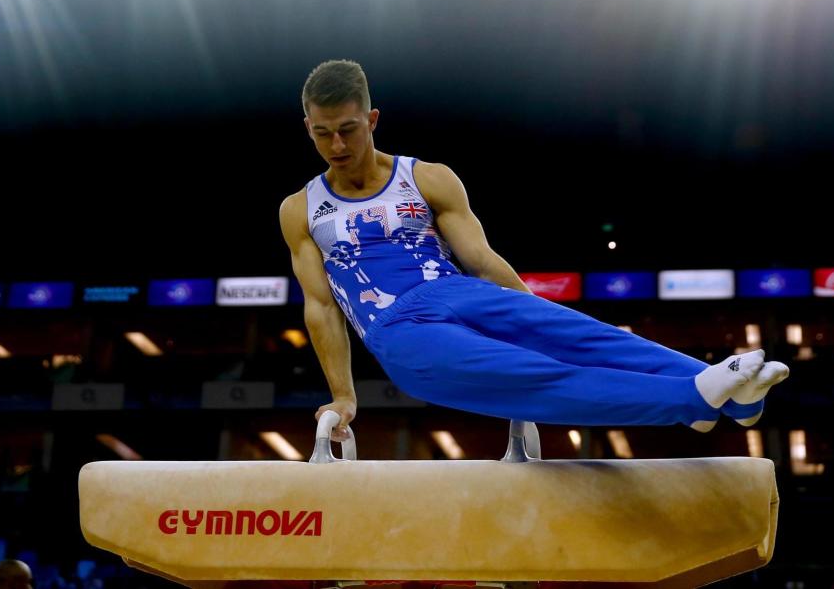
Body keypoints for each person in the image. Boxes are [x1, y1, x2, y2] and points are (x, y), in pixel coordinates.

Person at [279, 59, 789, 439]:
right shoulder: (301, 209)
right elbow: (322, 306)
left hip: (455, 290)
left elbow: (479, 259)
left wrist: (529, 311)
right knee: (538, 378)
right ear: (308, 128)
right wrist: (345, 396)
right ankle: (691, 399)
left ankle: (725, 396)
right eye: (322, 134)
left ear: (371, 120)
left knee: (585, 336)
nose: (337, 146)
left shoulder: (427, 178)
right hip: (396, 328)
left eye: (347, 130)